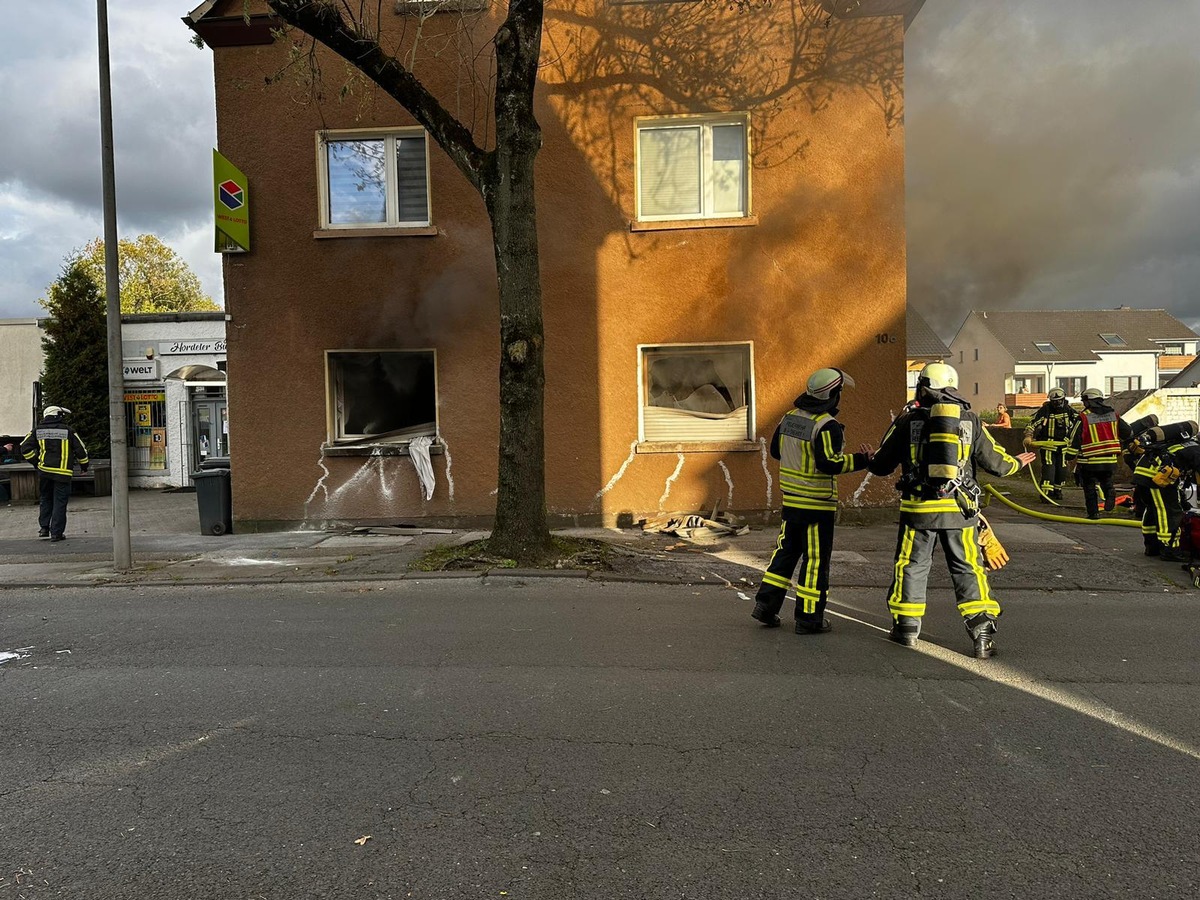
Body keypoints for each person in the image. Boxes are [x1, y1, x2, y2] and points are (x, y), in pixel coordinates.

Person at [868, 362, 1036, 658]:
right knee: (968, 568)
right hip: (960, 512)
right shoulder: (970, 420)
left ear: (922, 386)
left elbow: (881, 465)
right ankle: (982, 632)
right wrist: (1019, 462)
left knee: (912, 566)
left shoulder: (907, 421)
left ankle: (906, 628)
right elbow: (997, 464)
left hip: (918, 511)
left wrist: (871, 457)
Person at [751, 368, 873, 634]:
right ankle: (808, 619)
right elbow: (829, 463)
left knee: (784, 554)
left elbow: (775, 451)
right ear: (833, 394)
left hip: (792, 503)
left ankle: (766, 607)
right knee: (815, 561)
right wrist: (863, 460)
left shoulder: (789, 418)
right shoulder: (826, 425)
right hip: (817, 506)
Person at [20, 406, 89, 543]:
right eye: (61, 414)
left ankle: (44, 528)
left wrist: (36, 462)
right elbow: (81, 450)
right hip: (62, 473)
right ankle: (56, 533)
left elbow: (24, 447)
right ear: (57, 415)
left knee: (45, 499)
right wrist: (84, 466)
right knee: (59, 502)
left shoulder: (37, 430)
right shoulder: (68, 430)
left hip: (44, 472)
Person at [1065, 388, 1132, 520]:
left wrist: (1069, 456)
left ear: (1089, 401)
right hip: (1110, 460)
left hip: (1089, 461)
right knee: (1106, 481)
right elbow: (1128, 432)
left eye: (1084, 401)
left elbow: (1075, 438)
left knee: (1089, 487)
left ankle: (1093, 513)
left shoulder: (1083, 417)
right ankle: (1110, 493)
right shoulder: (1114, 415)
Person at [1023, 388, 1077, 501]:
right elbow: (1032, 423)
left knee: (1062, 469)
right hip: (1048, 445)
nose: (1058, 404)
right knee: (1049, 468)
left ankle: (1058, 490)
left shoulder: (1069, 410)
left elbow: (1079, 423)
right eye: (1055, 401)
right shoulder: (1045, 411)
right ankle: (1046, 493)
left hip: (1063, 446)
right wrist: (1028, 436)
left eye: (1060, 401)